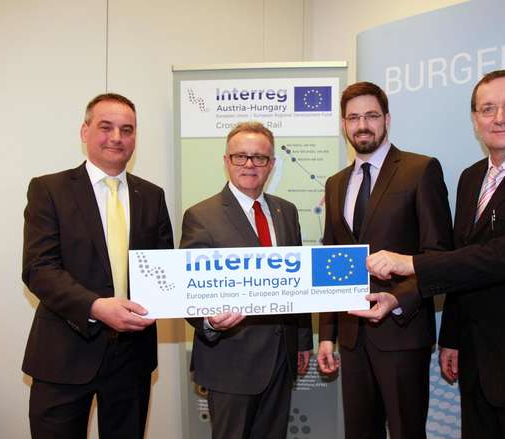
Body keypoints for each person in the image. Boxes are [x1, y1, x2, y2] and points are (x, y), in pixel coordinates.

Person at [366, 70, 505, 439]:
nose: (500, 117)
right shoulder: (470, 178)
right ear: (475, 120)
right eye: (488, 109)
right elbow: (461, 260)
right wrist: (450, 335)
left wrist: (411, 263)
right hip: (476, 360)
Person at [22, 93, 174, 439]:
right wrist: (95, 306)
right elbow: (38, 268)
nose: (117, 137)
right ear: (84, 131)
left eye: (127, 129)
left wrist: (208, 312)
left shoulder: (152, 196)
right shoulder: (50, 189)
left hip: (132, 358)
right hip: (64, 354)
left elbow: (164, 271)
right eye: (106, 127)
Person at [316, 81, 453, 439]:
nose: (363, 124)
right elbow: (332, 260)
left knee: (407, 432)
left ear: (387, 119)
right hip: (352, 336)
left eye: (372, 115)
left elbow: (439, 255)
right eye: (354, 117)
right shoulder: (335, 183)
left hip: (402, 332)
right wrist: (327, 335)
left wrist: (398, 299)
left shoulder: (420, 170)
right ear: (344, 125)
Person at [180, 121, 313, 439]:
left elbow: (298, 282)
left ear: (272, 165)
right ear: (226, 161)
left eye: (260, 158)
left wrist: (303, 340)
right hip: (230, 362)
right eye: (241, 156)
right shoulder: (201, 216)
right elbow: (189, 290)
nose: (250, 164)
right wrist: (210, 323)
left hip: (281, 358)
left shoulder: (287, 212)